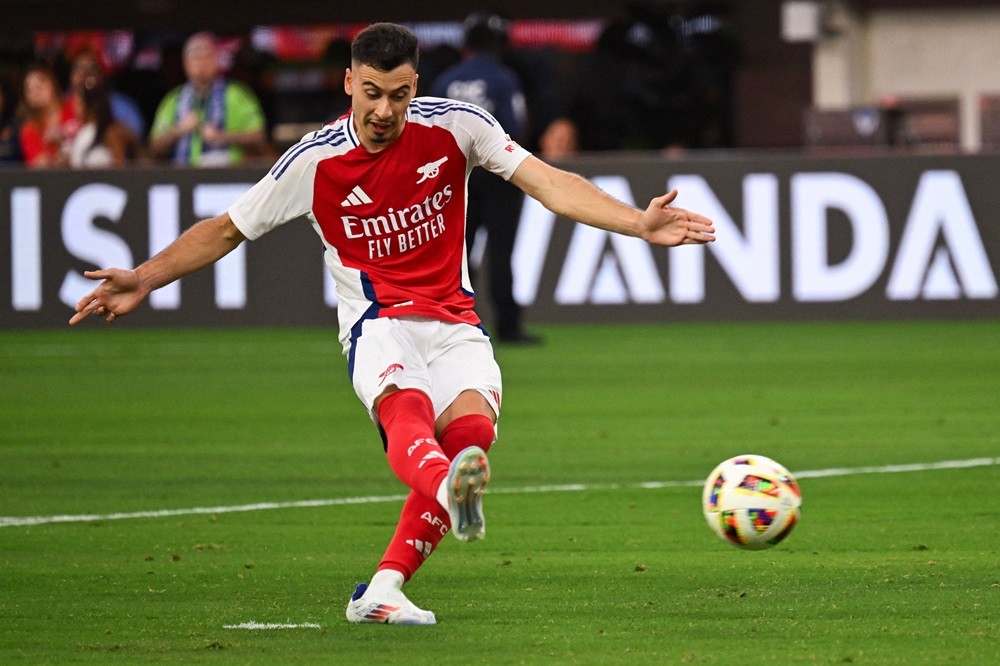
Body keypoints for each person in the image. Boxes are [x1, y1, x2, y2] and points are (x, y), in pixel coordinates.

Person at [68, 23, 715, 625]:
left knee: (471, 436)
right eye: (372, 93)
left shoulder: (458, 127)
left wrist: (636, 221)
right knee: (415, 422)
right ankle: (448, 490)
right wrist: (146, 277)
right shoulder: (313, 162)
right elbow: (224, 230)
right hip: (378, 322)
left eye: (400, 95)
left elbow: (547, 182)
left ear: (416, 87)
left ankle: (381, 591)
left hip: (457, 321)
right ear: (349, 81)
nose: (384, 110)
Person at [431, 12, 538, 344]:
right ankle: (507, 326)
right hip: (497, 175)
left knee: (456, 252)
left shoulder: (446, 80)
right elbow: (516, 128)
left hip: (455, 176)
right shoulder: (504, 79)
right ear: (500, 43)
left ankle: (451, 322)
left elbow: (430, 132)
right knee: (501, 251)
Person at [148, 32, 268, 166]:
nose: (202, 64)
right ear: (186, 65)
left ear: (216, 60)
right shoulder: (174, 99)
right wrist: (179, 130)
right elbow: (154, 147)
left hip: (228, 175)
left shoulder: (236, 95)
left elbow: (259, 137)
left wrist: (222, 136)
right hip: (183, 176)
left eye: (207, 57)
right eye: (196, 59)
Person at [66, 49, 147, 141]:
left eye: (92, 69)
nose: (84, 75)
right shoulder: (62, 103)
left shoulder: (119, 105)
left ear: (102, 76)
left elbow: (137, 137)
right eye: (79, 68)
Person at [67, 78, 143, 168]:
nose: (74, 106)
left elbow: (120, 167)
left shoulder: (111, 132)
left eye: (78, 102)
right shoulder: (83, 132)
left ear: (90, 105)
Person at [18, 64, 72, 168]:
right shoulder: (29, 129)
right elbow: (40, 167)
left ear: (52, 82)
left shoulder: (75, 107)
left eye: (40, 83)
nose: (36, 92)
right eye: (29, 89)